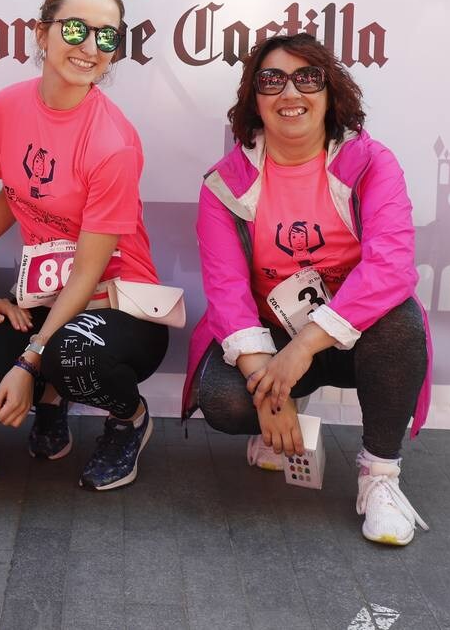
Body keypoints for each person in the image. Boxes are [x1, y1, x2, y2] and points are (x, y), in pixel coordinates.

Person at [185, 34, 432, 545]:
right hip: (273, 339)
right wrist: (265, 388)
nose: (290, 93)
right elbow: (227, 291)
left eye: (308, 78)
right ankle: (278, 425)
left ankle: (379, 478)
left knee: (401, 320)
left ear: (331, 92)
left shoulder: (371, 164)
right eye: (271, 80)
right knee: (227, 401)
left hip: (345, 337)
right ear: (254, 99)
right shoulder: (223, 184)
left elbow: (391, 267)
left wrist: (304, 347)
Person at [0, 0, 168, 492]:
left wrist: (30, 359)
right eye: (75, 30)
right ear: (41, 33)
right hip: (47, 295)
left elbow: (90, 270)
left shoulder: (114, 144)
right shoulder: (6, 106)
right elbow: (15, 194)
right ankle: (53, 393)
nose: (90, 47)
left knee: (72, 354)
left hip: (117, 301)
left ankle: (129, 419)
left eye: (106, 36)